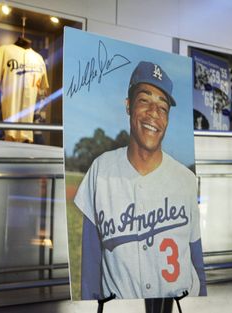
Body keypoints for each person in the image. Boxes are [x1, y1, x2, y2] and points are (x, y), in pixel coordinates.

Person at [74, 61, 206, 300]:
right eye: (144, 100)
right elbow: (91, 266)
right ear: (128, 105)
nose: (153, 113)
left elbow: (197, 260)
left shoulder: (186, 179)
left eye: (162, 107)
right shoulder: (101, 170)